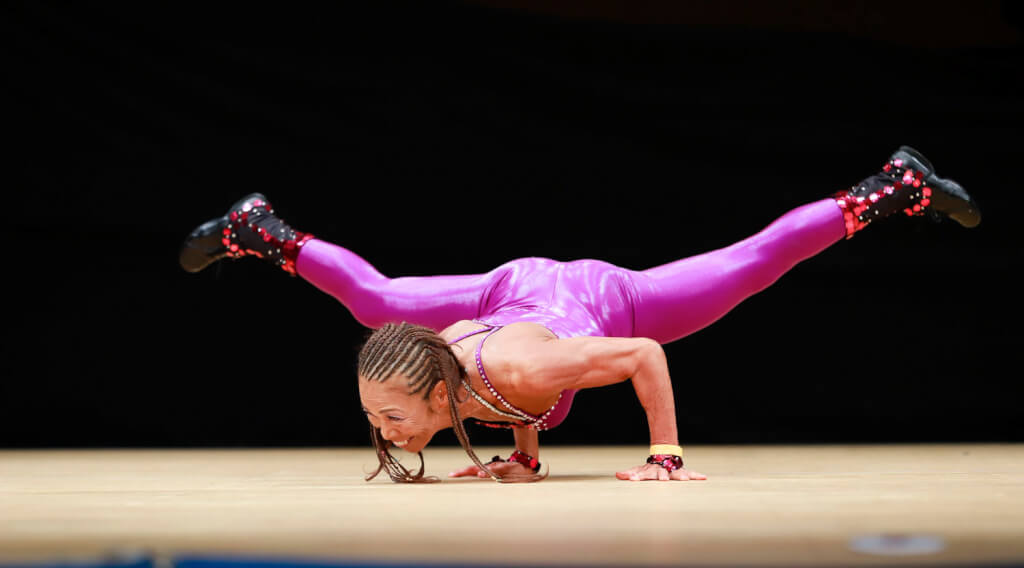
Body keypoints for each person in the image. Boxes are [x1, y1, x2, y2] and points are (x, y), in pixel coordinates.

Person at [179, 145, 980, 483]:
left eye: (390, 414)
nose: (384, 428)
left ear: (433, 393)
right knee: (378, 301)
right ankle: (260, 231)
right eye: (376, 418)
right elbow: (501, 392)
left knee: (752, 262)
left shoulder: (524, 368)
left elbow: (641, 357)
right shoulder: (449, 358)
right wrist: (523, 457)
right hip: (509, 293)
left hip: (604, 298)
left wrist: (664, 454)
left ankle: (892, 188)